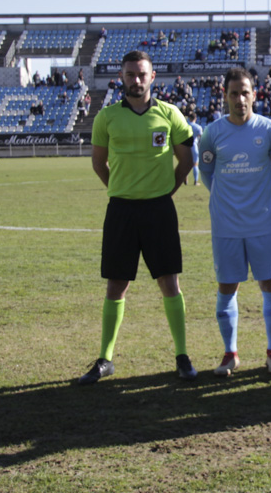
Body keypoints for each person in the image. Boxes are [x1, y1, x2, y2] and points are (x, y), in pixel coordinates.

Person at [78, 50, 197, 385]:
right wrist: (118, 189)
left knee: (169, 282)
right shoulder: (107, 118)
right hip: (121, 210)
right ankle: (105, 359)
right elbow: (99, 163)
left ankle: (182, 356)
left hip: (159, 209)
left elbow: (187, 161)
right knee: (116, 284)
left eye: (142, 74)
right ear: (122, 77)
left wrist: (166, 190)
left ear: (152, 76)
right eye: (130, 74)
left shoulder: (170, 114)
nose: (136, 80)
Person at [198, 68, 271, 376]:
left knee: (270, 283)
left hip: (263, 223)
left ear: (255, 93)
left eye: (245, 92)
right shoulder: (212, 133)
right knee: (227, 286)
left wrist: (257, 198)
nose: (240, 99)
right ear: (225, 95)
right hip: (226, 225)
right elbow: (208, 174)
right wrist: (228, 200)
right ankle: (230, 354)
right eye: (234, 93)